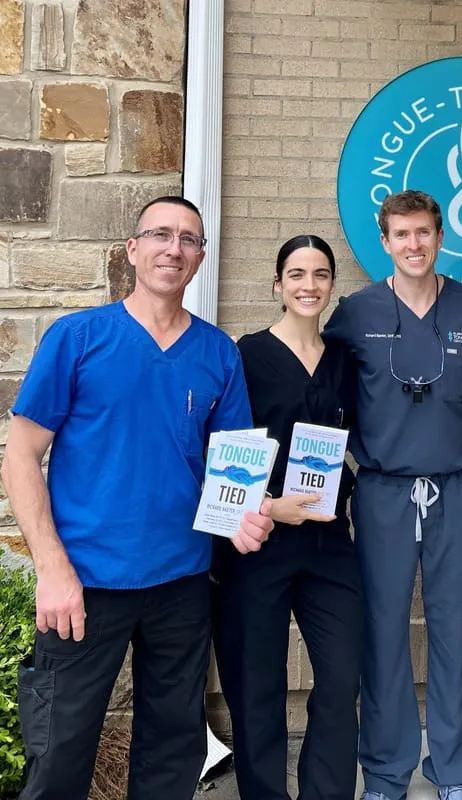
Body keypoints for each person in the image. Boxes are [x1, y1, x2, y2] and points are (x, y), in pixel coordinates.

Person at [2, 196, 273, 800]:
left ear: (200, 257)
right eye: (160, 235)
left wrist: (244, 517)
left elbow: (231, 467)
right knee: (59, 755)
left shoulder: (218, 353)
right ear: (133, 249)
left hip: (182, 583)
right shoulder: (78, 338)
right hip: (84, 583)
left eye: (188, 239)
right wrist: (51, 568)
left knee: (172, 756)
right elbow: (19, 458)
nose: (173, 248)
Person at [324, 190, 462, 800]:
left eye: (423, 232)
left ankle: (452, 771)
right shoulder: (356, 313)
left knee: (453, 629)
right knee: (383, 632)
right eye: (401, 234)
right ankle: (385, 771)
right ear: (384, 242)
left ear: (440, 236)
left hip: (455, 489)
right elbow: (323, 386)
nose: (414, 244)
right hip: (382, 491)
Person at [212, 235, 362, 800]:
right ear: (277, 285)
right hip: (260, 542)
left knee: (342, 674)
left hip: (329, 542)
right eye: (296, 274)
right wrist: (269, 506)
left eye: (320, 274)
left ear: (331, 285)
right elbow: (224, 451)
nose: (308, 285)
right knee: (257, 685)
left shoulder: (344, 359)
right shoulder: (246, 355)